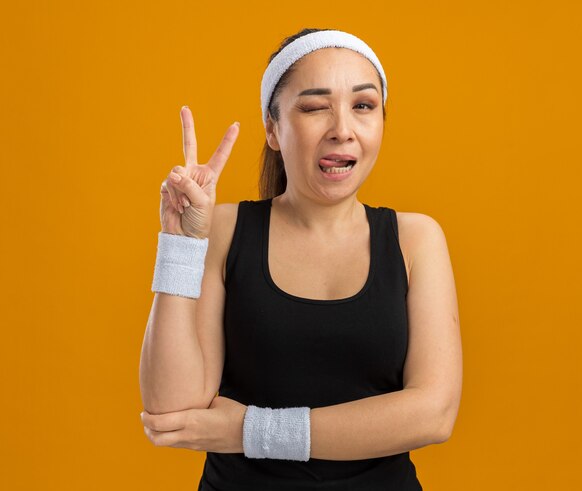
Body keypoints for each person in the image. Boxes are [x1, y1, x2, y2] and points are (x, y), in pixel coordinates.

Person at [139, 28, 463, 491]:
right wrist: (180, 241)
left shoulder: (416, 240)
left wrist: (245, 430)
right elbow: (171, 410)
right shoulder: (225, 231)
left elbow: (433, 414)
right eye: (314, 107)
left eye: (364, 106)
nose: (342, 129)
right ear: (272, 129)